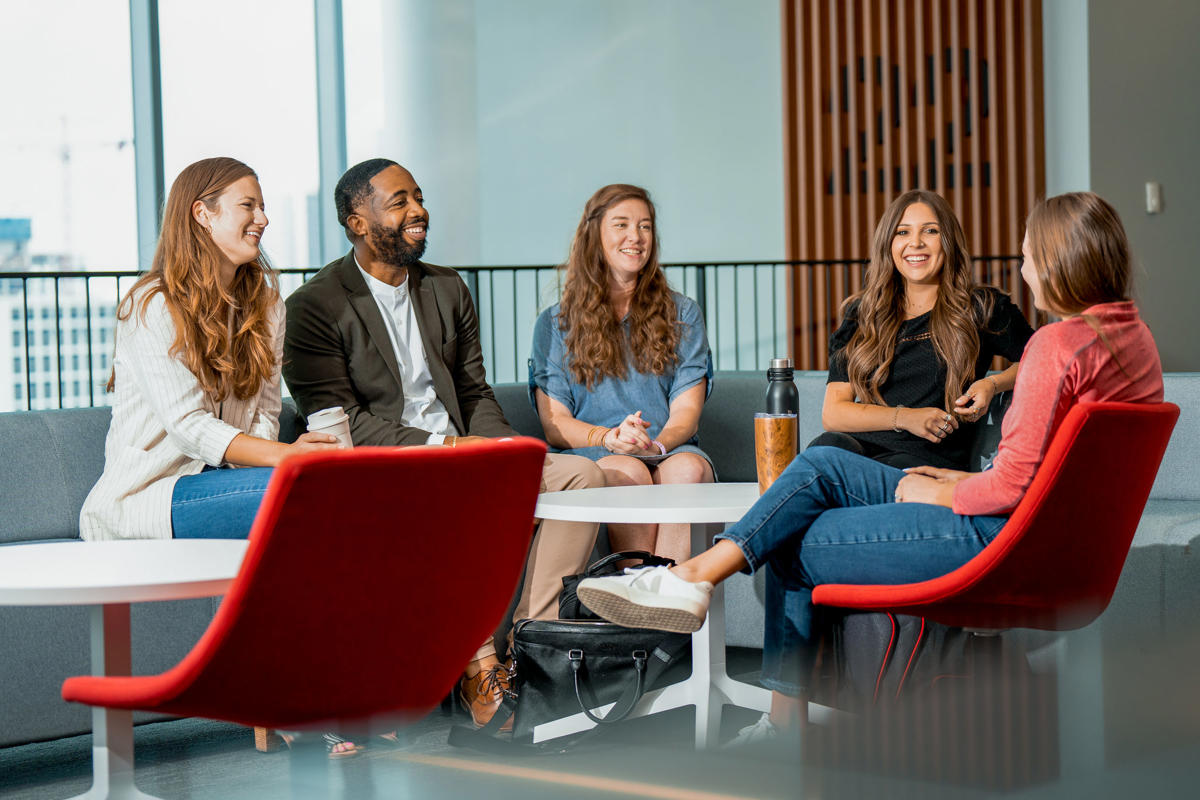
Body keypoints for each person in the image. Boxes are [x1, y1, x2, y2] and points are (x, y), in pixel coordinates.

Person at [577, 191, 1164, 744]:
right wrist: (961, 480)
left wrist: (944, 492)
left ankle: (713, 615)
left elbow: (1013, 486)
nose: (1024, 267)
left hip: (996, 537)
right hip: (1045, 538)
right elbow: (1051, 474)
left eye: (1030, 256)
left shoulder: (1053, 346)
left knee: (788, 535)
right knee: (823, 463)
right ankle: (694, 579)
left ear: (1060, 261)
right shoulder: (1131, 340)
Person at [282, 158, 605, 730]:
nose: (419, 211)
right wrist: (450, 450)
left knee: (583, 477)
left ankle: (528, 651)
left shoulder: (447, 287)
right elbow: (340, 422)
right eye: (400, 202)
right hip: (387, 468)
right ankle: (480, 669)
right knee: (455, 503)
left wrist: (506, 451)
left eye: (419, 197)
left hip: (464, 456)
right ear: (358, 222)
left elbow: (473, 391)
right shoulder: (314, 306)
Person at [80, 157, 341, 543]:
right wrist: (287, 456)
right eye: (248, 205)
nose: (263, 219)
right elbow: (189, 426)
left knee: (334, 484)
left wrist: (276, 461)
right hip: (149, 497)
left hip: (228, 481)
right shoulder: (153, 304)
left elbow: (265, 414)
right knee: (311, 492)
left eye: (263, 207)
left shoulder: (268, 306)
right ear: (203, 214)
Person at [530, 184, 714, 563]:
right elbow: (555, 423)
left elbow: (686, 412)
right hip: (596, 453)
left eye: (645, 226)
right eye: (621, 224)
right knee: (628, 472)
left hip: (666, 447)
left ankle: (665, 593)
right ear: (594, 235)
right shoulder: (554, 324)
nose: (636, 236)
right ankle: (637, 587)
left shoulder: (684, 314)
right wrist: (610, 438)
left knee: (689, 469)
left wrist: (655, 446)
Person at [813, 189, 1034, 470]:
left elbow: (1040, 358)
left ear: (948, 241)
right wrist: (906, 418)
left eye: (930, 231)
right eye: (902, 232)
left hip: (924, 461)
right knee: (827, 448)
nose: (915, 243)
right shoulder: (863, 314)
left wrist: (991, 384)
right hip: (856, 450)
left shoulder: (982, 307)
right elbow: (833, 414)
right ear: (888, 244)